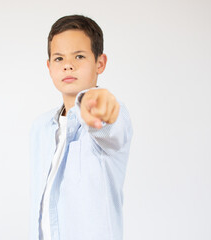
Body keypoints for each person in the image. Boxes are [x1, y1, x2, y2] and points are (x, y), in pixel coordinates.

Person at [30, 15, 133, 240]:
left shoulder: (108, 112)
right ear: (49, 67)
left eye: (79, 56)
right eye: (58, 58)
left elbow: (109, 124)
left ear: (100, 63)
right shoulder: (40, 128)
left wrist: (96, 105)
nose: (68, 65)